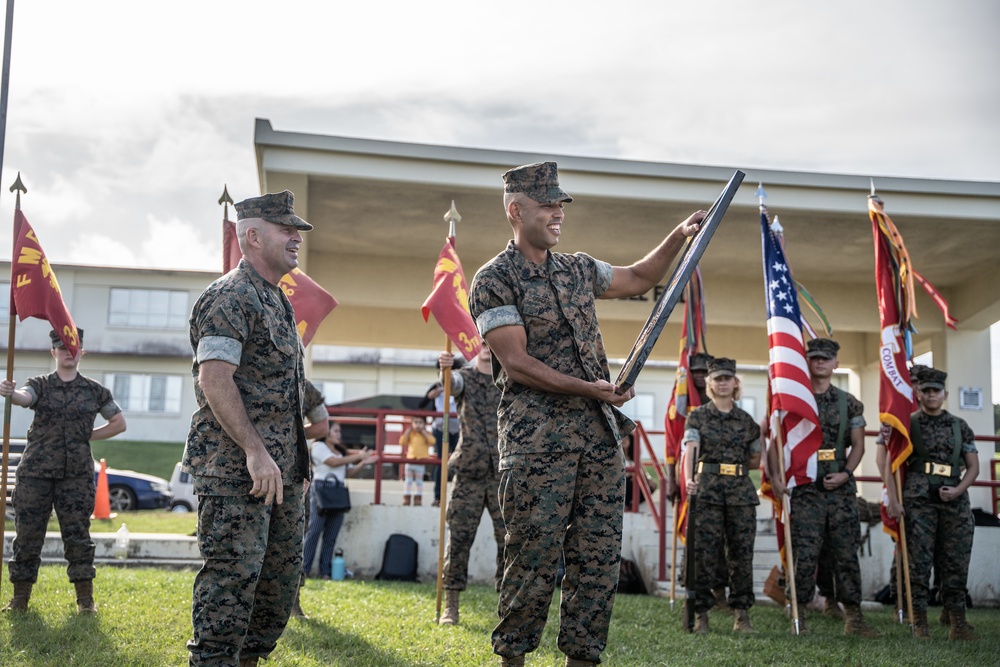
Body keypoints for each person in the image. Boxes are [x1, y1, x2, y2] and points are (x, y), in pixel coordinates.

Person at [469, 161, 704, 667]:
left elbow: (640, 277)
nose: (558, 213)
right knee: (531, 561)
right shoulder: (494, 279)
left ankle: (583, 659)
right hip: (536, 446)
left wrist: (679, 237)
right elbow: (517, 362)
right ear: (516, 210)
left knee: (596, 562)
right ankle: (512, 658)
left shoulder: (576, 269)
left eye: (561, 204)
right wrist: (594, 390)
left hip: (597, 443)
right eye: (548, 204)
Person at [184, 190, 313, 667]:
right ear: (253, 237)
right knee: (231, 584)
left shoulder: (277, 301)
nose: (296, 238)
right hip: (235, 470)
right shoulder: (229, 297)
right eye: (287, 229)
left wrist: (295, 464)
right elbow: (214, 378)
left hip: (281, 475)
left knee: (276, 588)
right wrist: (255, 451)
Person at [1, 328, 126, 614]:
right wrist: (11, 392)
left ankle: (85, 602)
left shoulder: (95, 390)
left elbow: (119, 422)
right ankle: (19, 600)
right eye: (62, 347)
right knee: (28, 536)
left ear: (82, 352)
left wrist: (86, 435)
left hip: (76, 475)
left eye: (73, 347)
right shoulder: (41, 384)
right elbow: (24, 397)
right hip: (35, 474)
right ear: (53, 352)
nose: (68, 352)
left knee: (78, 537)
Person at [767, 338, 880, 637]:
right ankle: (798, 615)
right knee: (805, 554)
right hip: (805, 488)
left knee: (844, 553)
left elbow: (858, 445)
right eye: (815, 357)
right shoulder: (792, 401)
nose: (820, 362)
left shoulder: (849, 402)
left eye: (826, 358)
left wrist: (846, 473)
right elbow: (775, 444)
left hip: (839, 489)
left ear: (835, 364)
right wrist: (777, 479)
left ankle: (853, 618)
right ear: (807, 362)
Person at [886, 368, 979, 640]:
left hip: (955, 500)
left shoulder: (959, 426)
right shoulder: (907, 424)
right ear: (918, 394)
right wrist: (893, 499)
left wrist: (959, 490)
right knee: (919, 562)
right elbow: (891, 465)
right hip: (919, 501)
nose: (931, 395)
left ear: (945, 394)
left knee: (956, 561)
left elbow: (973, 467)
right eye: (926, 390)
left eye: (936, 390)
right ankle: (920, 623)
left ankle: (958, 624)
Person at [683, 357, 760, 635]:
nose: (723, 383)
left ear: (735, 382)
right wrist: (689, 479)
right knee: (704, 554)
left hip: (740, 494)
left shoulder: (747, 421)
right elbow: (690, 451)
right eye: (718, 379)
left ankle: (742, 615)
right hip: (708, 492)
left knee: (741, 554)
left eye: (728, 378)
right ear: (709, 383)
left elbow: (755, 458)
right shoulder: (698, 416)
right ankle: (701, 613)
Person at [437, 342, 505, 626]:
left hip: (503, 472)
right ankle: (451, 606)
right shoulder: (464, 376)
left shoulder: (508, 379)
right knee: (460, 539)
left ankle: (508, 603)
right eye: (483, 344)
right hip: (469, 471)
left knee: (509, 542)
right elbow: (451, 384)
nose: (488, 349)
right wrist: (444, 369)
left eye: (493, 343)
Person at [302, 422, 376, 579]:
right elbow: (332, 462)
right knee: (314, 530)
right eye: (335, 431)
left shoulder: (341, 452)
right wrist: (358, 456)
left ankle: (325, 571)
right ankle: (304, 569)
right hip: (322, 490)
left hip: (338, 490)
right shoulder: (318, 447)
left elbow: (348, 471)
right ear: (326, 432)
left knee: (332, 534)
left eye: (339, 431)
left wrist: (362, 463)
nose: (338, 434)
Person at [399, 416, 433, 505]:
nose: (418, 425)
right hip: (410, 460)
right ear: (412, 424)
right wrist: (407, 432)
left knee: (419, 482)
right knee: (408, 481)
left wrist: (424, 433)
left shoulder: (427, 434)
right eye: (416, 422)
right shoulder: (411, 434)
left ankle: (418, 499)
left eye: (420, 423)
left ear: (425, 424)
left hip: (420, 462)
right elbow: (402, 442)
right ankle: (406, 498)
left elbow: (432, 441)